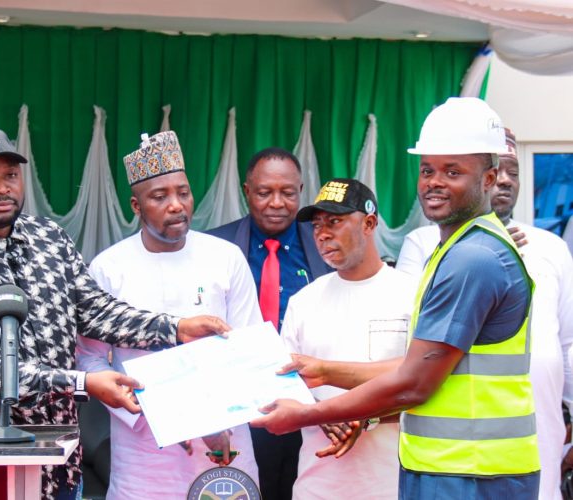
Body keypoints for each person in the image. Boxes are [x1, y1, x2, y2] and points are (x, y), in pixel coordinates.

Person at [0, 127, 228, 500]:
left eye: (10, 175)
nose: (2, 188)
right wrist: (81, 383)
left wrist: (176, 328)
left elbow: (97, 311)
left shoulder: (49, 239)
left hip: (58, 465)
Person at [251, 97, 540, 499]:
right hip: (449, 468)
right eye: (427, 170)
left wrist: (308, 413)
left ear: (489, 179)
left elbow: (413, 382)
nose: (434, 182)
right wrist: (325, 374)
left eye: (453, 171)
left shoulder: (472, 258)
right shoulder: (454, 252)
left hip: (470, 473)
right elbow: (415, 370)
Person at [76, 131, 260, 499]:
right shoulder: (109, 268)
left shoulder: (224, 257)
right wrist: (145, 407)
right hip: (144, 446)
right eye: (160, 197)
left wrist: (215, 417)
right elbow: (89, 359)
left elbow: (248, 347)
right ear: (136, 205)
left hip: (222, 436)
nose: (176, 205)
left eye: (183, 193)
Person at [396, 128, 573, 500]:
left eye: (514, 171)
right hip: (455, 454)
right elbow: (415, 335)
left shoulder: (551, 247)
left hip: (535, 426)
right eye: (499, 169)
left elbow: (567, 344)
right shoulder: (428, 244)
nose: (506, 180)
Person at [209, 147, 331, 500]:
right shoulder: (215, 247)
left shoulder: (325, 246)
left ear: (301, 190)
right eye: (264, 192)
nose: (276, 203)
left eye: (287, 192)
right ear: (247, 191)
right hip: (239, 402)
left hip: (309, 399)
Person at [281, 178, 416, 499]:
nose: (322, 234)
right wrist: (321, 413)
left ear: (369, 223)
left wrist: (362, 417)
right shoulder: (304, 301)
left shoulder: (412, 293)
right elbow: (282, 386)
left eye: (334, 222)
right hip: (317, 486)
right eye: (317, 225)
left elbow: (427, 384)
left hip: (392, 485)